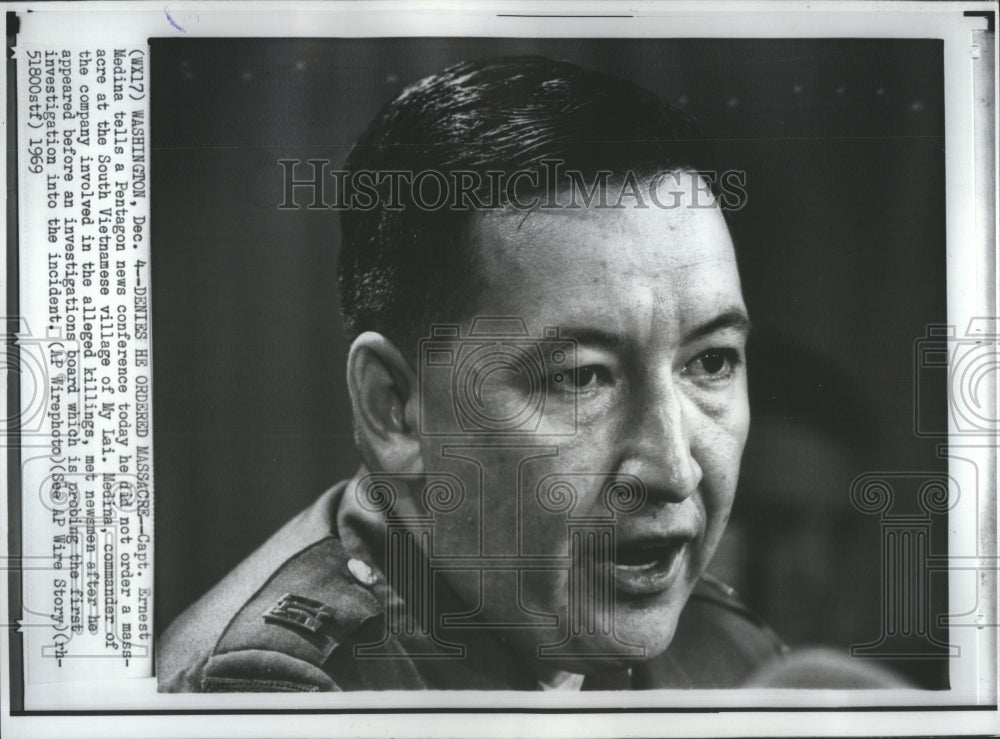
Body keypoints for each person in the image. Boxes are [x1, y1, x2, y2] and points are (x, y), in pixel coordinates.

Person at [157, 55, 786, 692]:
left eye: (710, 362)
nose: (675, 471)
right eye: (580, 378)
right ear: (395, 409)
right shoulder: (282, 692)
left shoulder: (734, 658)